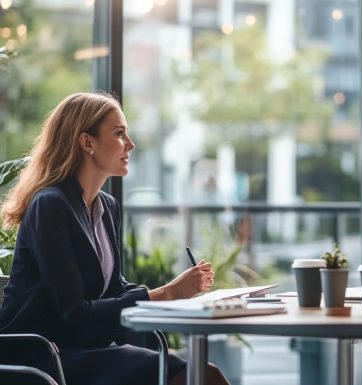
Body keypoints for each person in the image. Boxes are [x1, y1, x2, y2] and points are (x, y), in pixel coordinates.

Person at [0, 92, 230, 385]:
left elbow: (114, 289)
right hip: (41, 357)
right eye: (120, 134)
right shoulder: (50, 205)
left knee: (200, 373)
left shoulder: (106, 206)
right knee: (199, 376)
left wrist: (179, 295)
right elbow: (74, 314)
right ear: (87, 143)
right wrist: (167, 293)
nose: (130, 145)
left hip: (83, 350)